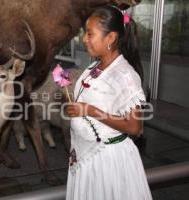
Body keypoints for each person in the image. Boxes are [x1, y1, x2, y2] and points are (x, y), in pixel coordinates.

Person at [65, 6, 152, 200]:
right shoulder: (94, 67)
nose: (84, 39)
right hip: (86, 157)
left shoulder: (125, 76)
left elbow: (134, 127)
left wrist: (89, 110)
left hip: (106, 161)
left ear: (111, 38)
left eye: (90, 34)